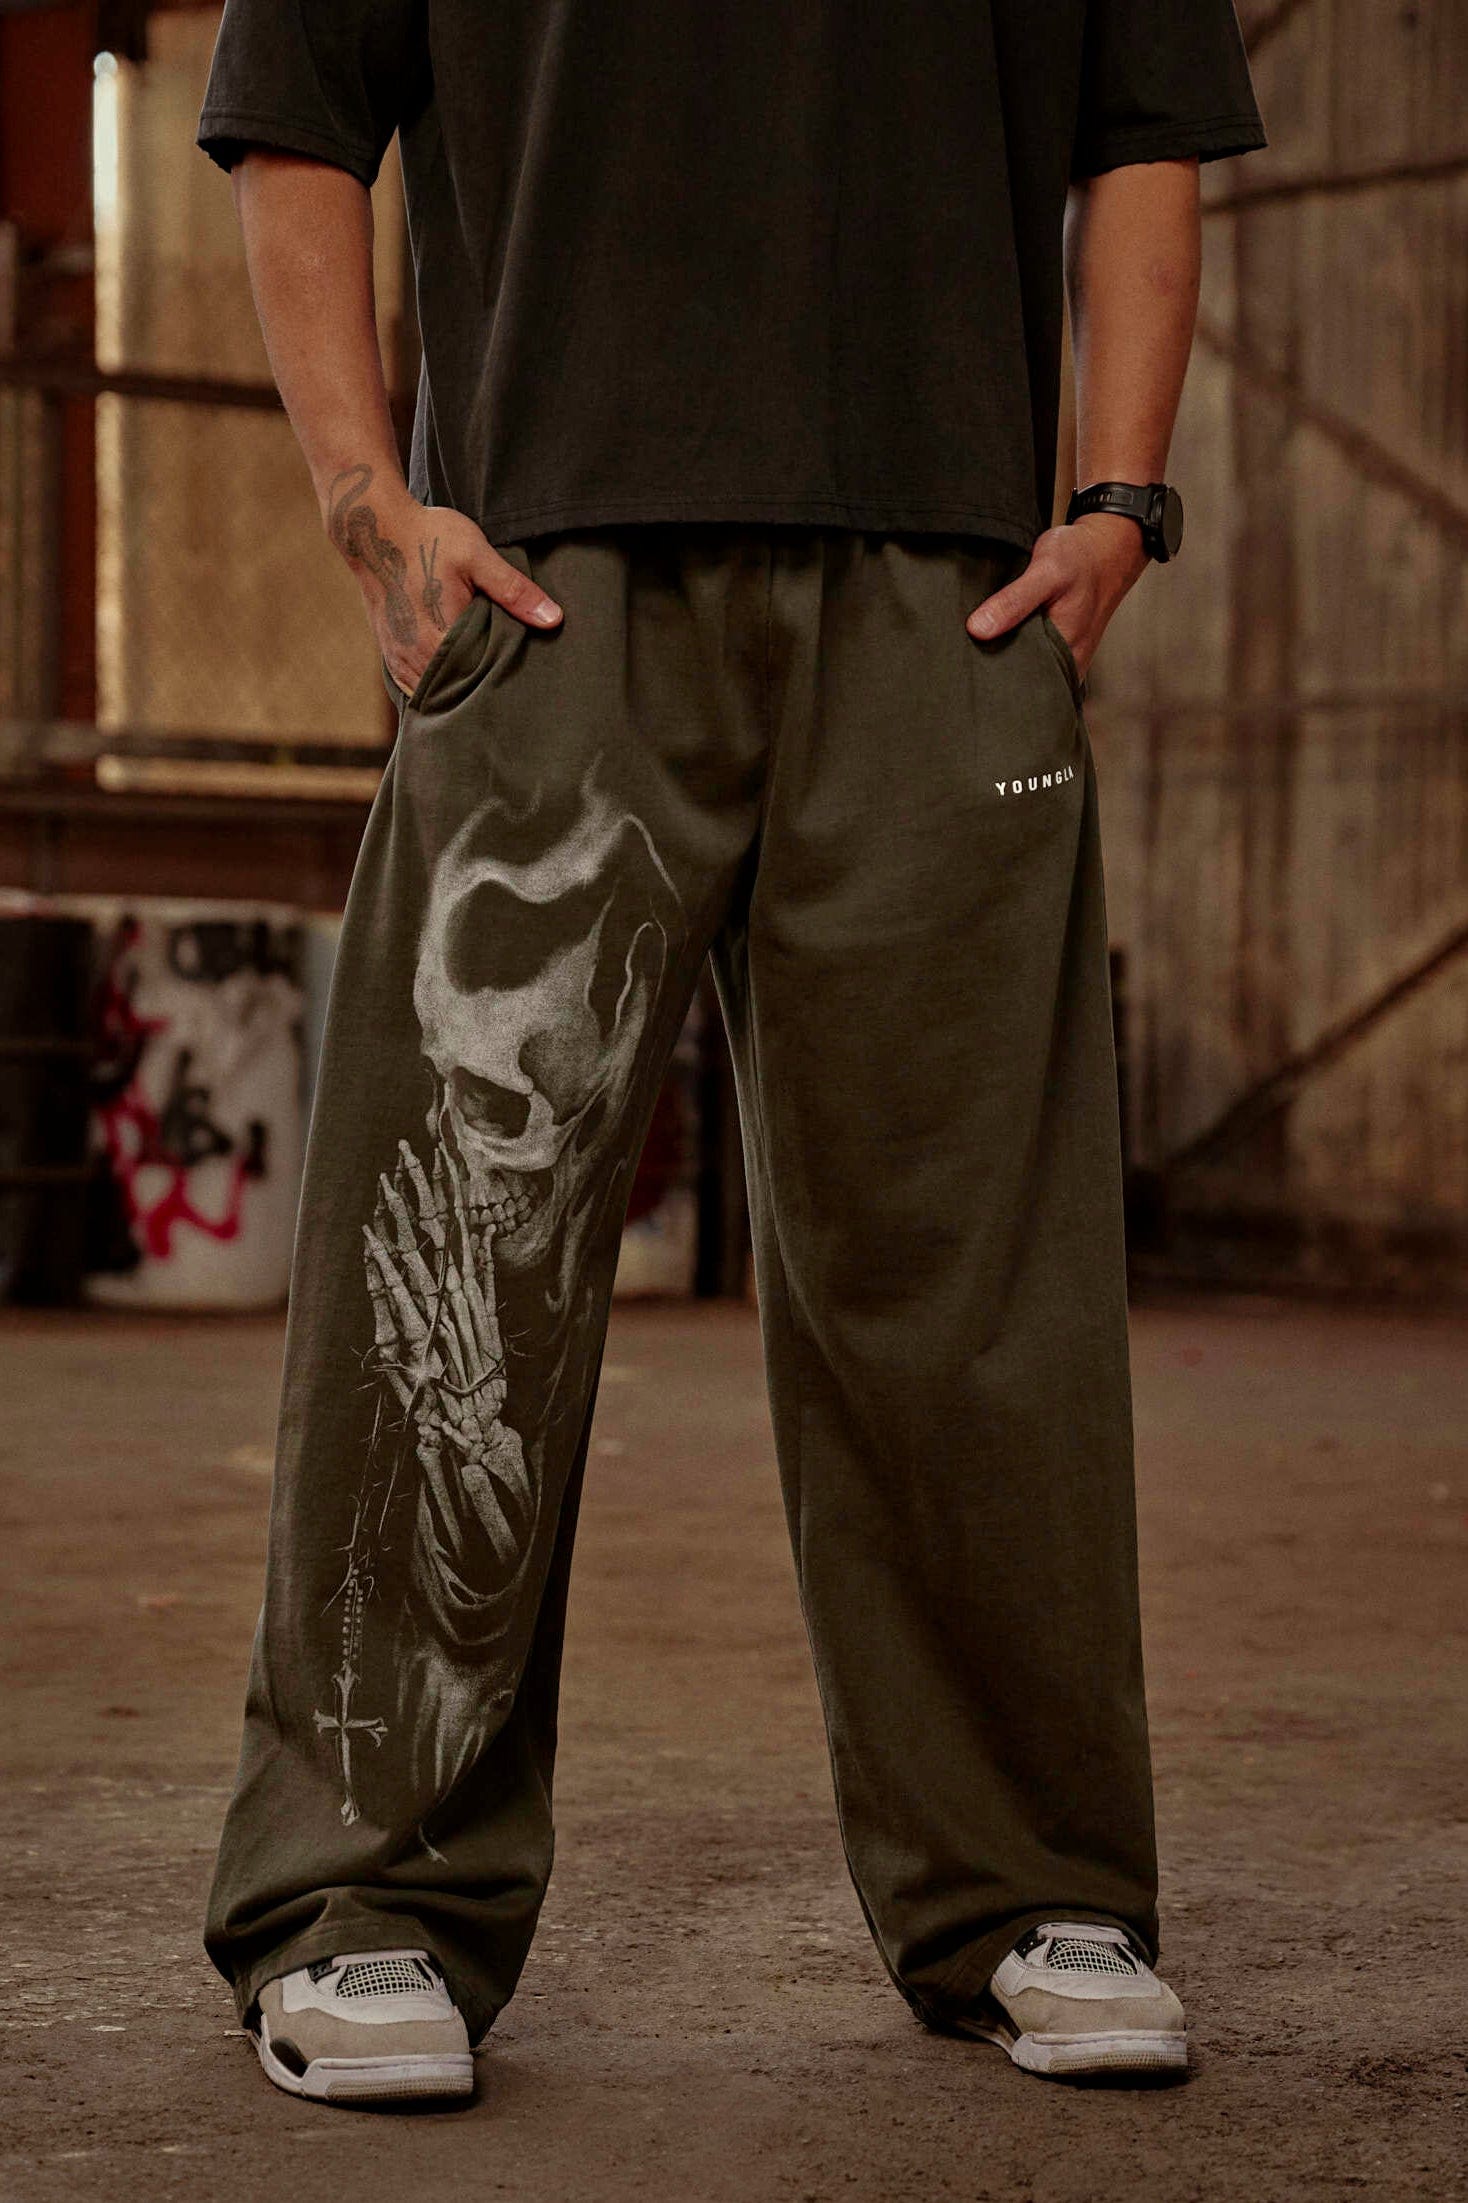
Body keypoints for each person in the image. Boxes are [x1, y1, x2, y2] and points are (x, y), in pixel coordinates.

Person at [195, 0, 1264, 2105]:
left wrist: (1123, 496)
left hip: (947, 598)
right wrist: (362, 499)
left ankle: (1028, 1890)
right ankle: (361, 1898)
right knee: (460, 1264)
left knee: (973, 1286)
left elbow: (1145, 116)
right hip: (549, 581)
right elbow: (293, 104)